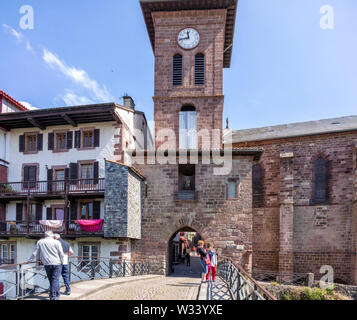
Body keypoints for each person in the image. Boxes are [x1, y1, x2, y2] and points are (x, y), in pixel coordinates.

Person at [28, 231, 65, 300]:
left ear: (45, 235)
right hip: (57, 263)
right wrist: (62, 262)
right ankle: (54, 296)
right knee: (55, 280)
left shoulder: (40, 242)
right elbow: (61, 254)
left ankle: (56, 294)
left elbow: (35, 252)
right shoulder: (57, 242)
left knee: (52, 280)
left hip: (47, 263)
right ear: (52, 236)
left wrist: (29, 260)